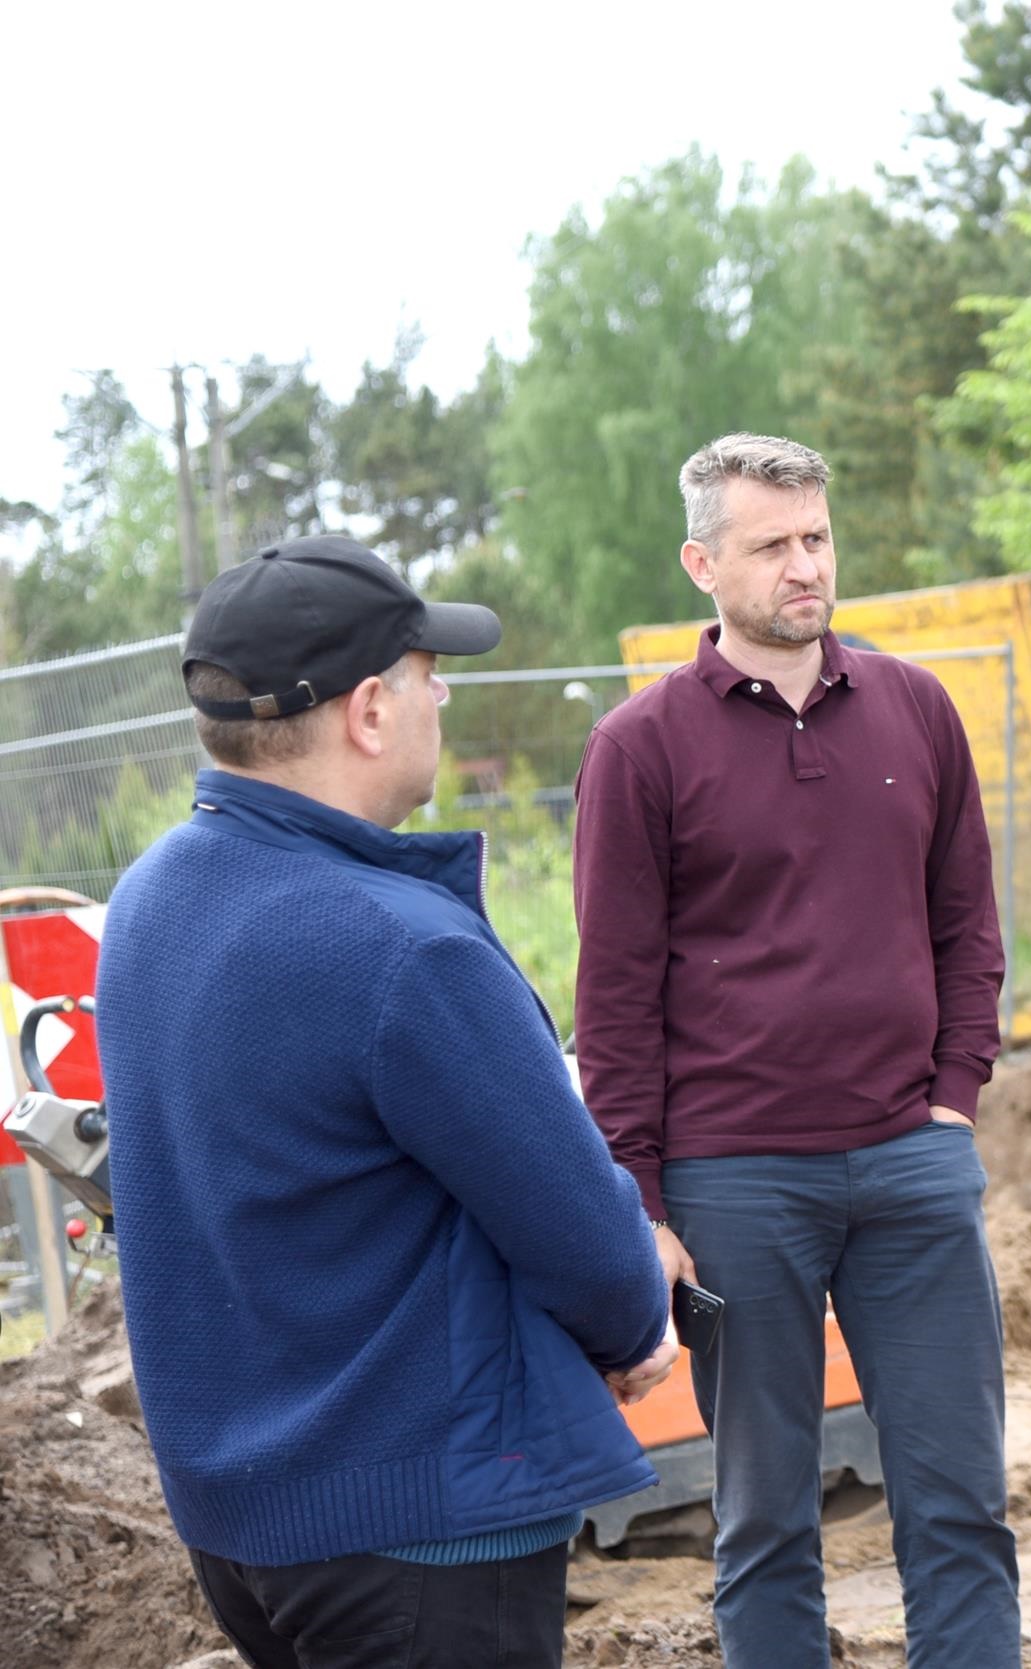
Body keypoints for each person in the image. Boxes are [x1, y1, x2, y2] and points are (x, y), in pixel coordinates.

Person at [95, 535, 674, 1669]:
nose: (440, 695)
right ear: (369, 711)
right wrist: (634, 1317)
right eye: (427, 673)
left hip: (243, 1520)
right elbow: (580, 1229)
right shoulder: (401, 951)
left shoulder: (149, 902)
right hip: (422, 1518)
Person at [572, 433, 1018, 1669]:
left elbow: (966, 922)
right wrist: (644, 1200)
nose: (803, 566)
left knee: (961, 1502)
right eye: (771, 545)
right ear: (701, 564)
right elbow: (611, 997)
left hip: (911, 1165)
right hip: (735, 1186)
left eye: (815, 537)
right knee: (766, 1518)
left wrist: (955, 1097)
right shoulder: (640, 749)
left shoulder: (916, 707)